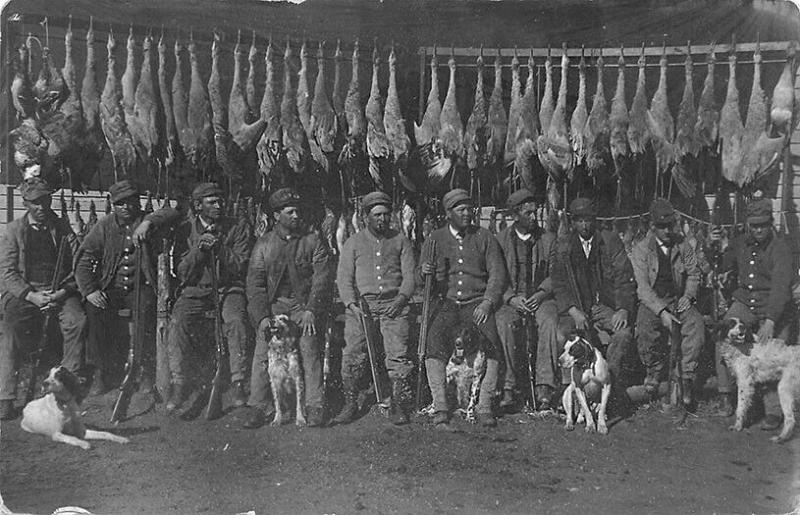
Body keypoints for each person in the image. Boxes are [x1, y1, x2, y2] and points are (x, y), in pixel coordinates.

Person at [75, 179, 180, 398]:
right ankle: (100, 372)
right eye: (120, 203)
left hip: (141, 288)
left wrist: (149, 221)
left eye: (131, 202)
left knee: (146, 313)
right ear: (113, 205)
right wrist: (90, 290)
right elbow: (84, 259)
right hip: (111, 288)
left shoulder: (146, 220)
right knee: (94, 313)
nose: (127, 207)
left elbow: (173, 212)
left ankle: (144, 372)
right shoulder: (104, 226)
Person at [243, 188, 332, 428]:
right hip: (275, 306)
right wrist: (262, 317)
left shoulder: (313, 240)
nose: (296, 215)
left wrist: (312, 309)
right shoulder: (263, 245)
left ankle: (315, 405)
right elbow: (255, 284)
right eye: (290, 211)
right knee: (263, 353)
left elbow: (322, 278)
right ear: (275, 216)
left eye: (298, 210)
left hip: (303, 307)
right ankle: (259, 406)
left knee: (310, 347)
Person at [420, 188, 508, 429]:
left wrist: (488, 302)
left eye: (469, 209)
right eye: (461, 210)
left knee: (492, 344)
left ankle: (485, 404)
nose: (467, 213)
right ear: (448, 213)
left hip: (476, 304)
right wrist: (425, 272)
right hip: (447, 303)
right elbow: (423, 277)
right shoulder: (435, 238)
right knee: (433, 341)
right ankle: (440, 405)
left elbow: (497, 274)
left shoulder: (484, 237)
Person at [0, 179, 87, 420]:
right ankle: (5, 395)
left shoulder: (62, 228)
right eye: (36, 203)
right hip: (25, 293)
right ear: (25, 203)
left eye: (45, 201)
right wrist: (32, 296)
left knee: (76, 321)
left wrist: (63, 292)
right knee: (10, 327)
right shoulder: (14, 230)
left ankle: (66, 389)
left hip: (58, 290)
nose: (42, 207)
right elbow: (7, 273)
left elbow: (77, 264)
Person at [165, 183, 253, 413]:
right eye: (211, 201)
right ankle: (179, 382)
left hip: (227, 288)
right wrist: (199, 250)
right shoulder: (185, 230)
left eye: (220, 200)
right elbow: (182, 272)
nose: (219, 205)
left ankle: (238, 381)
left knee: (235, 321)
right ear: (197, 206)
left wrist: (221, 248)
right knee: (177, 321)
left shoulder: (237, 227)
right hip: (196, 290)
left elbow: (240, 265)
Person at [712, 198, 795, 428]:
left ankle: (773, 410)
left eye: (763, 224)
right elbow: (726, 261)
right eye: (754, 225)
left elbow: (780, 287)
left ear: (770, 223)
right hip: (746, 304)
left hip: (774, 307)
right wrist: (717, 248)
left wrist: (770, 321)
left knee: (772, 352)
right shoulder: (742, 242)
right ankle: (726, 395)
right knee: (722, 337)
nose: (758, 229)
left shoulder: (780, 248)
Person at [335, 191, 416, 425]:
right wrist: (351, 304)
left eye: (385, 215)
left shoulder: (401, 240)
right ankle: (350, 403)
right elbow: (344, 278)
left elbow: (410, 276)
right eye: (376, 215)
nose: (382, 219)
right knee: (352, 353)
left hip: (394, 305)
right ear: (366, 217)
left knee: (397, 355)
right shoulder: (353, 243)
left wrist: (401, 299)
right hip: (362, 308)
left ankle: (399, 404)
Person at [550, 197, 636, 397]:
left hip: (603, 306)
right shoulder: (563, 246)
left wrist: (623, 308)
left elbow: (624, 277)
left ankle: (608, 384)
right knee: (562, 333)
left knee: (623, 335)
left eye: (588, 220)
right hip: (575, 308)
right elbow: (559, 283)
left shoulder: (609, 241)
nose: (584, 225)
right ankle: (569, 389)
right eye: (579, 220)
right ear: (573, 222)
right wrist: (573, 310)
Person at [631, 198, 705, 405]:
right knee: (646, 327)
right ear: (652, 227)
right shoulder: (641, 250)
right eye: (661, 227)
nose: (666, 231)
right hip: (653, 302)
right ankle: (653, 371)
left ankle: (686, 377)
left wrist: (688, 296)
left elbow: (693, 273)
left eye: (670, 226)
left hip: (678, 299)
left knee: (696, 326)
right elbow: (643, 288)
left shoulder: (683, 246)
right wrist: (662, 311)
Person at [494, 189, 560, 411]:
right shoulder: (500, 240)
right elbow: (496, 276)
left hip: (541, 298)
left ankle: (544, 388)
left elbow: (556, 274)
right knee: (504, 323)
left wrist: (541, 293)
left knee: (550, 321)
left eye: (536, 212)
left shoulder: (549, 240)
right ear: (515, 215)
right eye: (529, 213)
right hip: (511, 299)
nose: (534, 217)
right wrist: (510, 298)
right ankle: (509, 387)